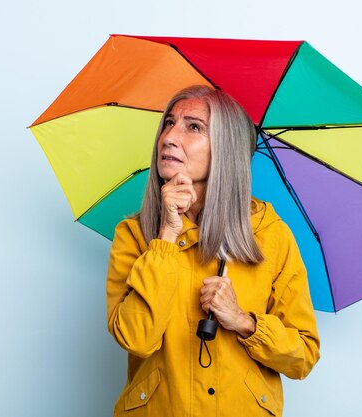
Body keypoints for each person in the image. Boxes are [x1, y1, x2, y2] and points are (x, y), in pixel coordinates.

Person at [106, 85, 320, 417]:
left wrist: (243, 321)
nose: (169, 137)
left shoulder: (271, 234)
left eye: (193, 127)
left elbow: (302, 356)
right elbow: (136, 338)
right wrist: (165, 237)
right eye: (169, 123)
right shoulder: (135, 235)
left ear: (226, 148)